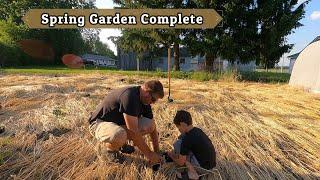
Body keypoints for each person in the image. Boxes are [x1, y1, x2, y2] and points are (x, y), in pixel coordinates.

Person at [88, 80, 164, 164]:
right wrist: (149, 154)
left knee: (150, 124)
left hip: (117, 124)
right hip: (99, 123)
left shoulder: (144, 101)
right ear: (146, 92)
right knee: (119, 134)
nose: (153, 103)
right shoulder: (130, 96)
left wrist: (157, 151)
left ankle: (121, 144)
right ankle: (109, 151)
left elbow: (153, 126)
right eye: (153, 99)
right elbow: (133, 131)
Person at [167, 110, 216, 179]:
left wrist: (171, 155)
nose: (179, 130)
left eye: (178, 127)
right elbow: (183, 136)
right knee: (181, 143)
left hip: (203, 169)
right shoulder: (197, 130)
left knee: (178, 144)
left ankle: (193, 173)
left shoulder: (187, 139)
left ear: (182, 124)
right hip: (212, 165)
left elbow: (181, 163)